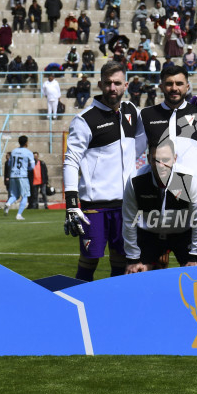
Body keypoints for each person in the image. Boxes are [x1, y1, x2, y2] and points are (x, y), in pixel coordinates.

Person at [64, 61, 147, 281]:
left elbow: (141, 143)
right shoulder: (84, 120)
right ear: (100, 84)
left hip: (126, 205)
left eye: (117, 83)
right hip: (95, 206)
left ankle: (115, 309)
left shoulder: (132, 112)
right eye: (108, 83)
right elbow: (71, 161)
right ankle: (78, 307)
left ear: (126, 85)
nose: (112, 88)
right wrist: (72, 203)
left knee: (121, 261)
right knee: (89, 260)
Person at [122, 138, 197, 274]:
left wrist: (196, 255)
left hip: (183, 233)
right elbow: (128, 220)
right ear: (149, 159)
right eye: (156, 160)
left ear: (175, 158)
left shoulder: (190, 179)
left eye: (166, 160)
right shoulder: (135, 180)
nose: (161, 165)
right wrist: (133, 258)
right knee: (136, 274)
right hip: (149, 234)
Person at [5, 136, 35, 220]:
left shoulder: (13, 151)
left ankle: (8, 203)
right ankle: (19, 214)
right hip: (22, 176)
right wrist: (27, 168)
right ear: (26, 143)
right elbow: (32, 166)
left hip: (13, 175)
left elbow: (9, 163)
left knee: (14, 195)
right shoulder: (28, 152)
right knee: (25, 195)